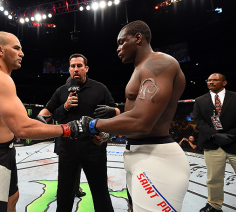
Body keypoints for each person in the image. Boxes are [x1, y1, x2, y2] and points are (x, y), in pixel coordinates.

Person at [0, 31, 80, 212]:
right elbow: (22, 128)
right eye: (16, 48)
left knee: (11, 199)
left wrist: (37, 121)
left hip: (4, 151)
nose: (22, 53)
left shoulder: (4, 78)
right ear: (0, 50)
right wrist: (68, 129)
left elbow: (22, 121)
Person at [75, 20, 190, 212]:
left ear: (138, 38)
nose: (118, 48)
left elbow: (142, 121)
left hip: (157, 156)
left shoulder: (159, 63)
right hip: (138, 154)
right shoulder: (140, 69)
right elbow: (133, 115)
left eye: (122, 42)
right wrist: (108, 133)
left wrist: (94, 124)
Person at [37, 53, 120, 212]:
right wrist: (65, 107)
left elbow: (117, 113)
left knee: (101, 193)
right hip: (68, 151)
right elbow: (44, 114)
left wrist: (111, 114)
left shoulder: (99, 88)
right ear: (69, 69)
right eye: (73, 66)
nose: (76, 69)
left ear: (86, 68)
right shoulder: (62, 91)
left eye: (79, 66)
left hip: (95, 149)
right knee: (64, 194)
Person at [193, 73, 236, 212]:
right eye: (209, 80)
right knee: (213, 178)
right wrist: (215, 134)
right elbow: (199, 121)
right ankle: (214, 205)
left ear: (224, 82)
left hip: (234, 141)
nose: (211, 82)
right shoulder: (200, 100)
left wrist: (230, 136)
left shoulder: (234, 97)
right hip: (212, 143)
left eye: (215, 80)